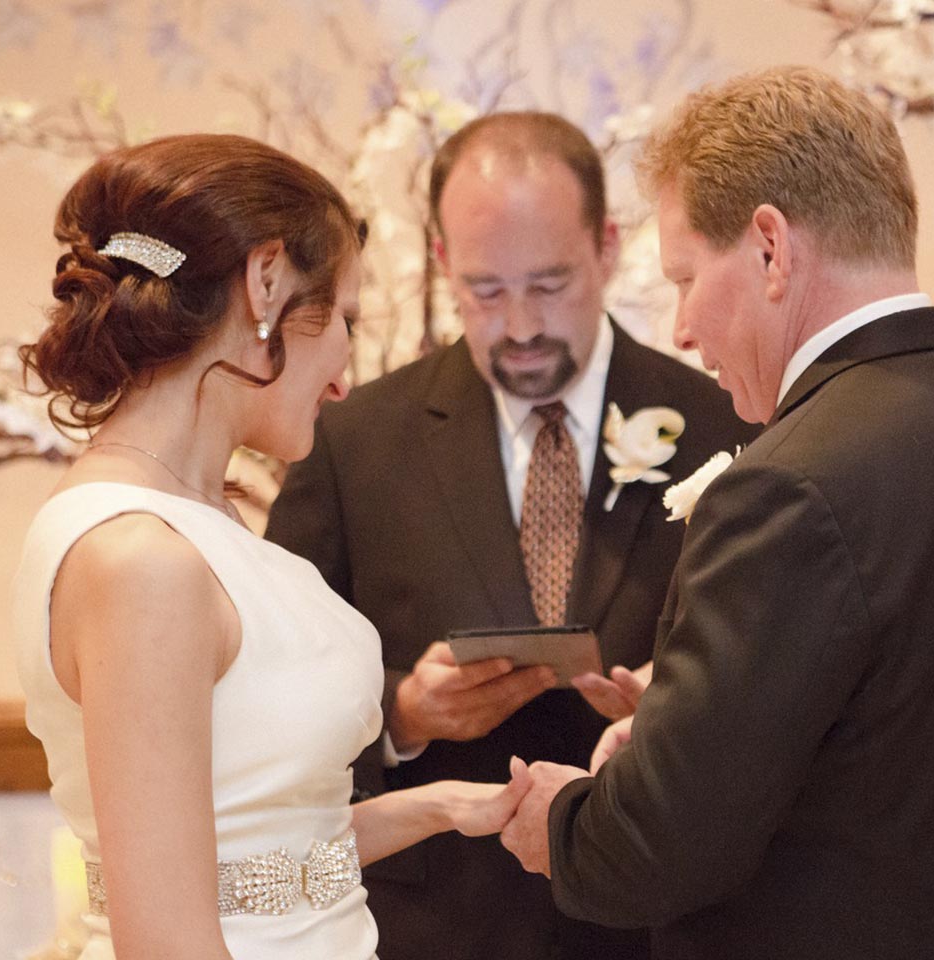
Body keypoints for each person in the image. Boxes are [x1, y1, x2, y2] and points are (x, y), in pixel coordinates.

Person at [496, 66, 934, 960]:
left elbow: (660, 847)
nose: (682, 328)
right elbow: (904, 742)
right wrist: (690, 724)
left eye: (686, 277)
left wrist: (566, 821)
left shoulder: (786, 489)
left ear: (771, 248)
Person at [13, 133, 529, 960]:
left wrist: (439, 808)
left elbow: (261, 862)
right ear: (264, 283)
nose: (345, 376)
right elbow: (169, 938)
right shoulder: (140, 556)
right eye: (345, 321)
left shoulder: (185, 523)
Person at [263, 112, 754, 960]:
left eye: (552, 283)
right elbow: (275, 680)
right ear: (445, 262)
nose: (521, 324)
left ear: (606, 248)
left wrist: (675, 713)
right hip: (436, 921)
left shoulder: (724, 424)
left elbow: (771, 670)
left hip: (655, 919)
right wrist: (404, 712)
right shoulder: (354, 439)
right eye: (487, 290)